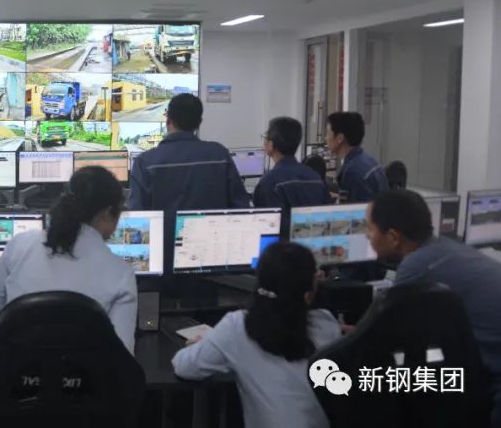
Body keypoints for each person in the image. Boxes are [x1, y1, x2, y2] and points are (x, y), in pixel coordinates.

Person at [365, 190, 501, 423]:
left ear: (393, 237)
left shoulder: (416, 267)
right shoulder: (446, 247)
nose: (367, 236)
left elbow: (382, 337)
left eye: (370, 228)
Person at [172, 242, 341, 428]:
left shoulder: (238, 327)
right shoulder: (327, 325)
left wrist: (204, 345)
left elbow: (184, 367)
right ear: (307, 294)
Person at [0, 166, 138, 351]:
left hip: (16, 367)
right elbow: (121, 354)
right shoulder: (121, 273)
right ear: (107, 212)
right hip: (83, 369)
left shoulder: (21, 245)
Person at [128, 93, 250, 211]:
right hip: (213, 226)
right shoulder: (220, 155)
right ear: (199, 123)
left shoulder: (145, 162)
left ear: (168, 121)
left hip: (164, 227)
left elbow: (137, 214)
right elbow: (241, 207)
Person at [252, 117, 330, 220]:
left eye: (265, 137)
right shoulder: (315, 178)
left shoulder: (268, 182)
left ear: (271, 145)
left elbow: (263, 222)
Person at [325, 111, 388, 203]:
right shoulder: (369, 160)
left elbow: (356, 209)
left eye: (328, 133)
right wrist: (339, 196)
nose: (326, 138)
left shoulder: (353, 171)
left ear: (340, 138)